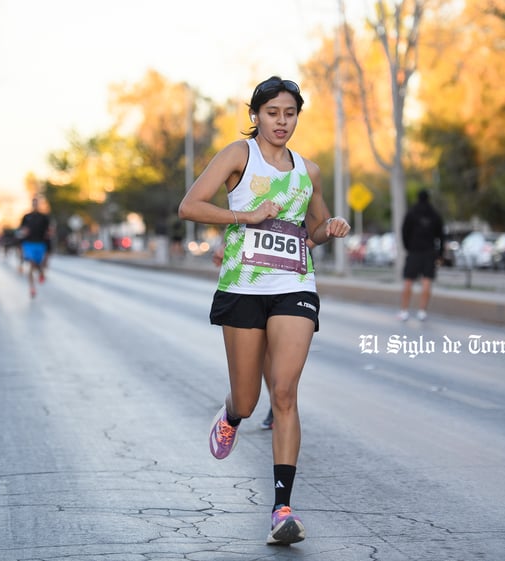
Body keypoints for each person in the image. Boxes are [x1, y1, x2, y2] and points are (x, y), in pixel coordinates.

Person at [178, 76, 350, 546]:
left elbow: (311, 230)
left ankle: (282, 509)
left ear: (298, 117)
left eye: (289, 113)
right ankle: (232, 414)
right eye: (272, 112)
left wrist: (329, 227)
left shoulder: (308, 170)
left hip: (294, 283)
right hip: (243, 288)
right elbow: (190, 206)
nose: (281, 121)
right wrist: (245, 217)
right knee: (250, 400)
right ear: (256, 115)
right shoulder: (239, 155)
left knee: (285, 391)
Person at [398, 189, 445, 321]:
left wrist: (407, 247)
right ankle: (422, 311)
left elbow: (404, 232)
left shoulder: (411, 213)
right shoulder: (434, 215)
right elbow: (441, 236)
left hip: (414, 251)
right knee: (427, 281)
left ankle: (404, 311)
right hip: (429, 252)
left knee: (408, 280)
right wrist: (440, 254)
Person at [18, 197, 52, 298]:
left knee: (38, 265)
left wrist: (48, 248)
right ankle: (32, 288)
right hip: (29, 244)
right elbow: (20, 231)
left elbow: (48, 232)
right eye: (34, 203)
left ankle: (41, 272)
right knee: (32, 264)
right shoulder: (26, 217)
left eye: (37, 203)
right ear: (32, 204)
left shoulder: (44, 217)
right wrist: (23, 233)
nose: (35, 205)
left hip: (40, 244)